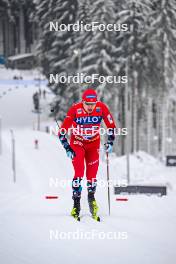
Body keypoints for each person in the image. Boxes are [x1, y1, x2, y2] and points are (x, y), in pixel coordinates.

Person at [58, 89, 116, 221]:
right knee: (79, 172)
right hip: (77, 143)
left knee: (92, 175)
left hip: (93, 144)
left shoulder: (101, 108)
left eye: (93, 104)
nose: (90, 107)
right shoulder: (75, 110)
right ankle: (76, 204)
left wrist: (110, 142)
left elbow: (111, 126)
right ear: (82, 102)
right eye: (87, 104)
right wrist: (67, 148)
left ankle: (91, 199)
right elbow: (61, 132)